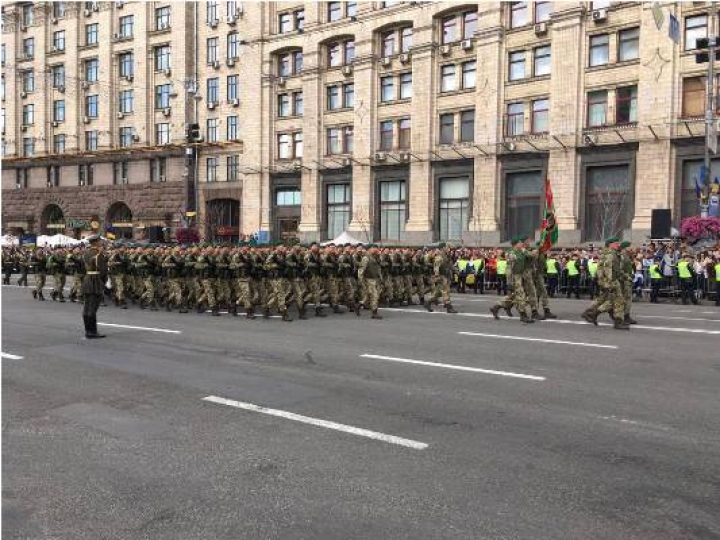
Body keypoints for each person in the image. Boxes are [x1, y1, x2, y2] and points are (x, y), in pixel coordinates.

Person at [581, 238, 629, 330]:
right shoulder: (610, 255)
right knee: (617, 301)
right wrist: (610, 283)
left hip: (609, 281)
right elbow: (608, 270)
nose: (618, 245)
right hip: (611, 281)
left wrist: (626, 277)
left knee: (604, 299)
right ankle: (616, 322)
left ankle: (590, 313)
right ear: (610, 244)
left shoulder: (610, 254)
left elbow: (615, 269)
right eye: (616, 243)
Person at [490, 237, 535, 324]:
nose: (522, 244)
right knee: (521, 295)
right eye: (520, 242)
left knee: (515, 296)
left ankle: (496, 307)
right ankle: (523, 315)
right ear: (515, 244)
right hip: (514, 277)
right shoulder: (510, 253)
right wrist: (509, 282)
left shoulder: (521, 252)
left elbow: (531, 255)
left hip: (521, 276)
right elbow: (509, 269)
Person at [81, 235, 108, 339]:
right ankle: (92, 332)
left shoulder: (86, 253)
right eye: (100, 240)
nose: (101, 242)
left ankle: (88, 330)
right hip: (95, 281)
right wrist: (103, 282)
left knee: (87, 306)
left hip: (87, 279)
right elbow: (103, 271)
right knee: (93, 307)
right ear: (96, 242)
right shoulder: (98, 254)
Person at [357, 245, 383, 319]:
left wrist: (380, 278)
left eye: (376, 248)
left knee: (369, 296)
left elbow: (378, 269)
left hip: (376, 279)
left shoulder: (375, 257)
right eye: (373, 248)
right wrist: (361, 282)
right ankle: (374, 312)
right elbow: (361, 271)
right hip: (369, 280)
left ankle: (358, 305)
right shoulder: (366, 258)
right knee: (375, 295)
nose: (375, 249)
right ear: (369, 249)